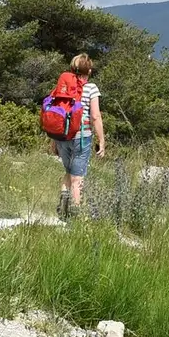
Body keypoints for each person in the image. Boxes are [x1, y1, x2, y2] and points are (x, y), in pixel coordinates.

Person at [53, 54, 105, 218]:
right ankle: (75, 215)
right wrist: (102, 141)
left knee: (68, 172)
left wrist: (54, 140)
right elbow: (95, 116)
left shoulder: (63, 87)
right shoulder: (91, 88)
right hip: (82, 137)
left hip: (62, 136)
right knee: (78, 178)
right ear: (88, 70)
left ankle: (62, 209)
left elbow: (57, 114)